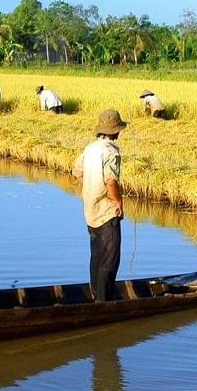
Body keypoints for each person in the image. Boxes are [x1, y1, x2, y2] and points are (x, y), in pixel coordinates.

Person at [72, 109, 127, 301]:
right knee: (109, 259)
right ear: (116, 131)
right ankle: (103, 301)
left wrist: (90, 189)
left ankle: (96, 294)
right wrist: (118, 202)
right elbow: (111, 182)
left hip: (90, 211)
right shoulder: (111, 152)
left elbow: (77, 171)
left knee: (96, 254)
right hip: (106, 213)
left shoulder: (90, 148)